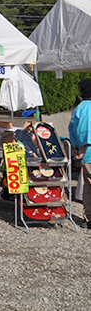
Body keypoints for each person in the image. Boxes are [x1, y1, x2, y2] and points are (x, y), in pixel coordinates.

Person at [69, 78, 91, 228]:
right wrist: (83, 148)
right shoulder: (88, 108)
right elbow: (86, 131)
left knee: (88, 186)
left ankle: (88, 217)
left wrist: (77, 147)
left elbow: (74, 131)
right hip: (88, 150)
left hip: (85, 150)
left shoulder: (79, 107)